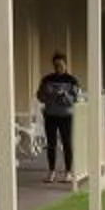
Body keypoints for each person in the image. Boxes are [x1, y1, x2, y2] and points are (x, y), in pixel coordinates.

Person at [35, 53, 80, 185]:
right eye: (56, 65)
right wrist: (48, 94)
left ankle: (68, 172)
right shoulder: (47, 79)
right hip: (51, 115)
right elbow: (40, 96)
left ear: (65, 65)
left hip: (66, 116)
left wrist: (63, 95)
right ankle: (51, 171)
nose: (58, 68)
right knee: (51, 144)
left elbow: (74, 99)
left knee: (67, 143)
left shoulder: (72, 80)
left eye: (60, 65)